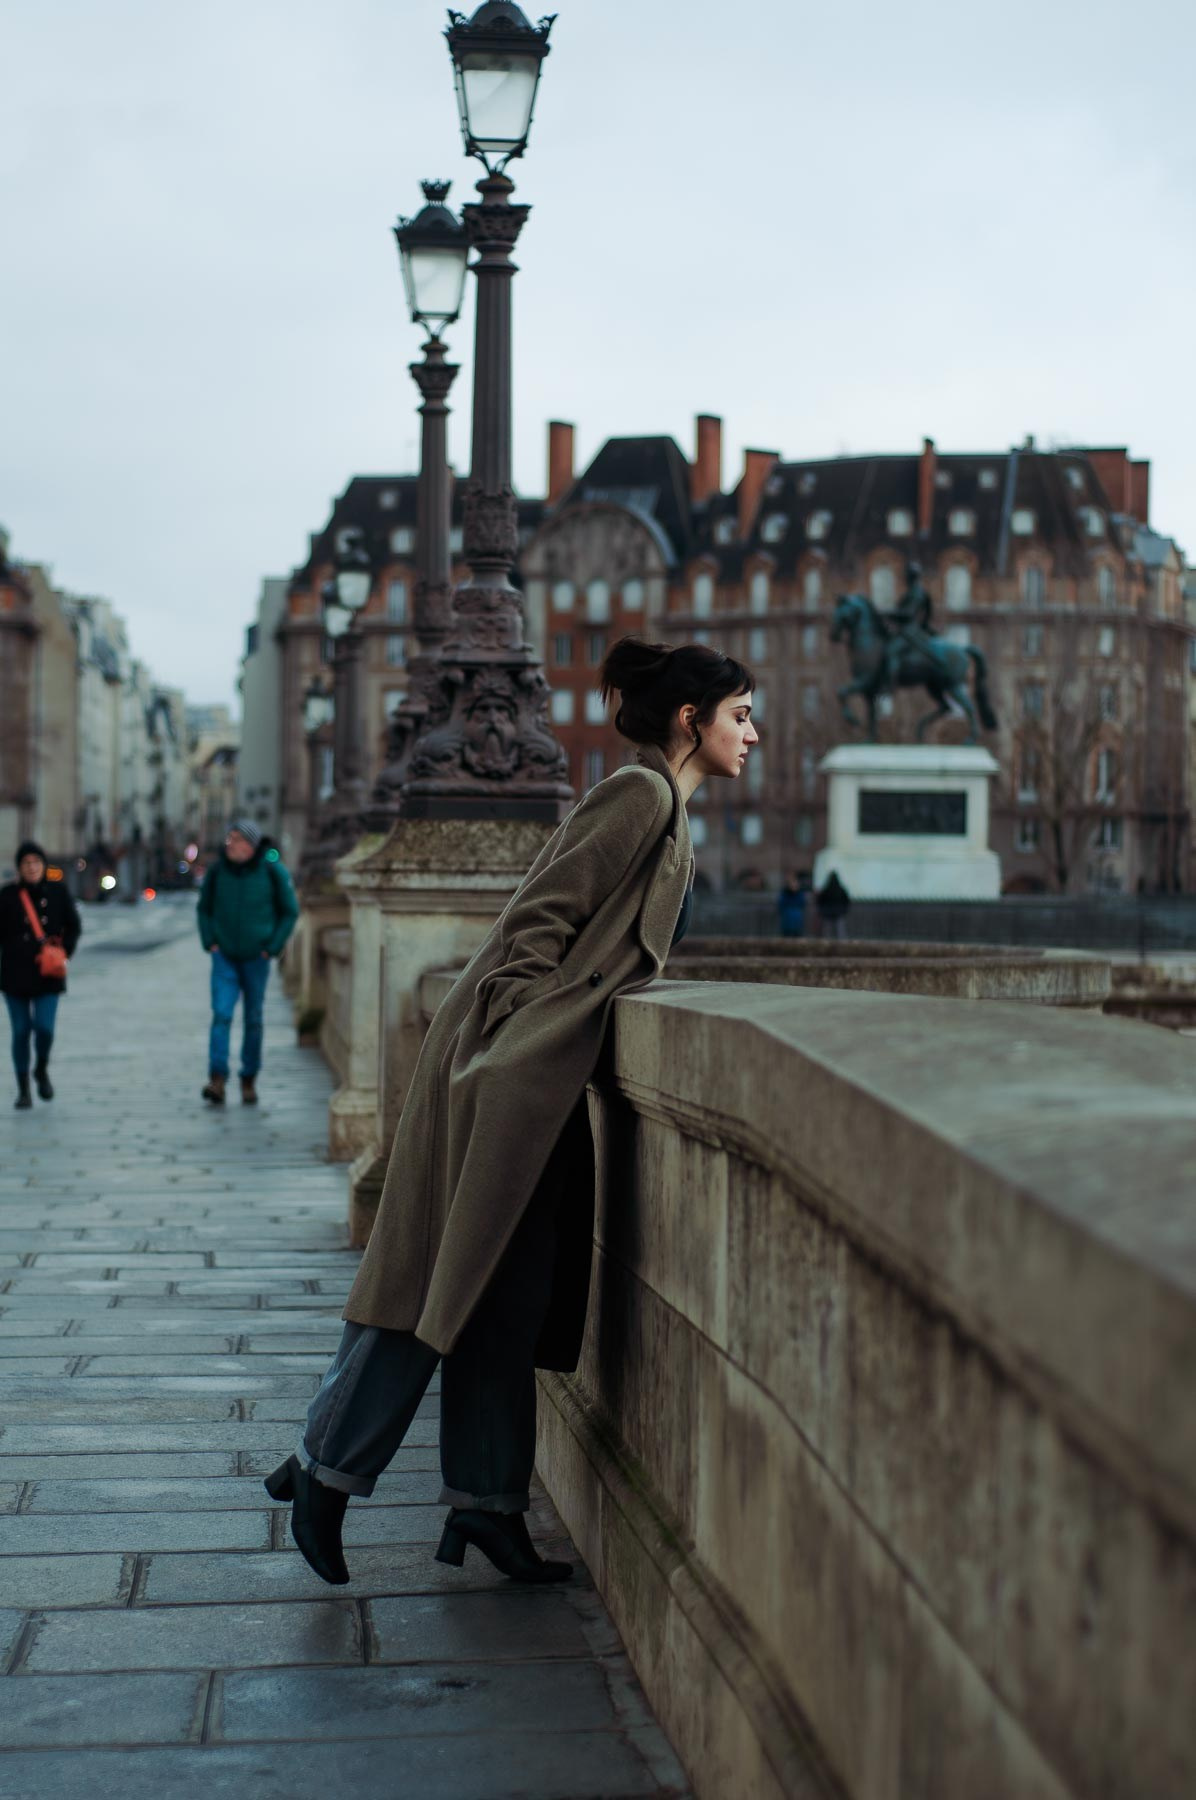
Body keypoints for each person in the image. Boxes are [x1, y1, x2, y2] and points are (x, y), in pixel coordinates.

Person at [265, 638, 758, 1588]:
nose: (753, 732)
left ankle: (488, 1508)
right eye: (740, 714)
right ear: (691, 722)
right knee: (440, 1281)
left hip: (540, 1075)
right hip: (513, 1073)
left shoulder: (668, 812)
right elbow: (536, 918)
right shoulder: (641, 796)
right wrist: (519, 1034)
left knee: (508, 1291)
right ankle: (328, 1473)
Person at [196, 819, 299, 1106]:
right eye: (230, 839)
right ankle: (217, 1079)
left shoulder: (271, 872)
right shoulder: (217, 872)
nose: (232, 845)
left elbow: (289, 911)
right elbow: (204, 909)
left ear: (252, 845)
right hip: (224, 956)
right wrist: (210, 941)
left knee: (253, 1019)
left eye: (239, 840)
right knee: (222, 1014)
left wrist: (273, 947)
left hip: (257, 957)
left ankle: (248, 1079)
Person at [0, 841, 82, 1109]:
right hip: (15, 975)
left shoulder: (57, 892)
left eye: (36, 863)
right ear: (20, 868)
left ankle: (41, 1068)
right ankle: (24, 1088)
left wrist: (64, 952)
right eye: (27, 863)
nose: (32, 868)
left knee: (44, 1029)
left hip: (48, 975)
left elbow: (74, 925)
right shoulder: (8, 895)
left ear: (44, 866)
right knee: (21, 1031)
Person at [816, 870, 851, 940]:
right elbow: (847, 901)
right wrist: (844, 910)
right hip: (838, 913)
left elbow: (820, 901)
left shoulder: (826, 889)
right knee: (840, 934)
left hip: (828, 914)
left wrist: (823, 911)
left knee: (828, 935)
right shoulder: (841, 889)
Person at [777, 871, 807, 938]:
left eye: (795, 883)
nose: (793, 885)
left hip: (797, 922)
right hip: (787, 921)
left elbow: (802, 903)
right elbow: (781, 905)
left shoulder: (800, 894)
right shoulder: (785, 893)